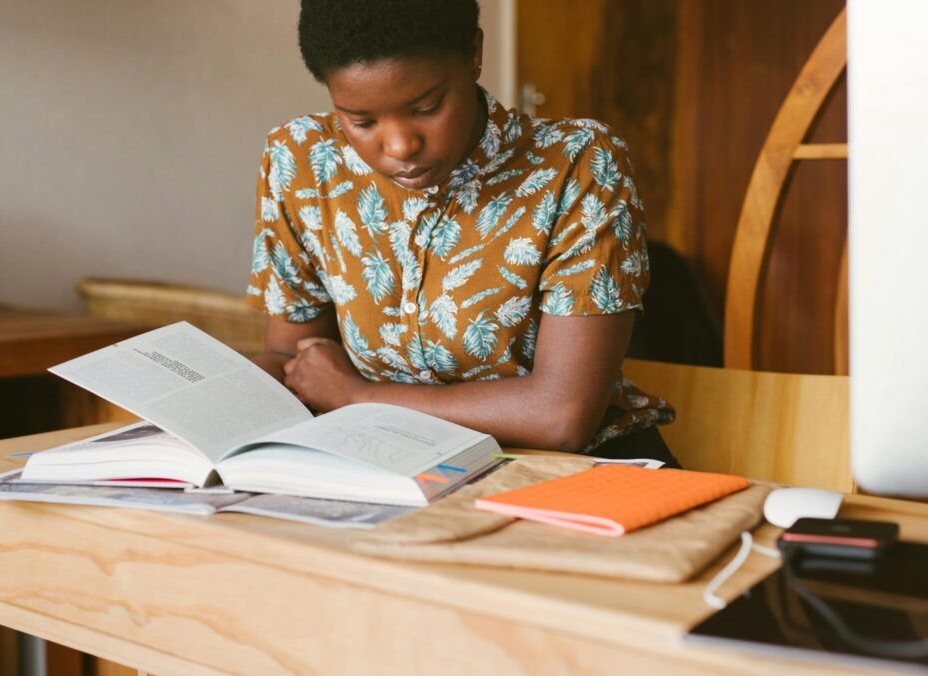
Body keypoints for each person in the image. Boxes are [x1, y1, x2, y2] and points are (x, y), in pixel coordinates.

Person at [246, 0, 678, 465]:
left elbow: (562, 416)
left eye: (427, 107)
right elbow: (300, 364)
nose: (399, 146)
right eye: (361, 121)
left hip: (573, 474)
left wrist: (359, 397)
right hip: (388, 468)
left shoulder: (577, 165)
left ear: (474, 54)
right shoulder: (303, 162)